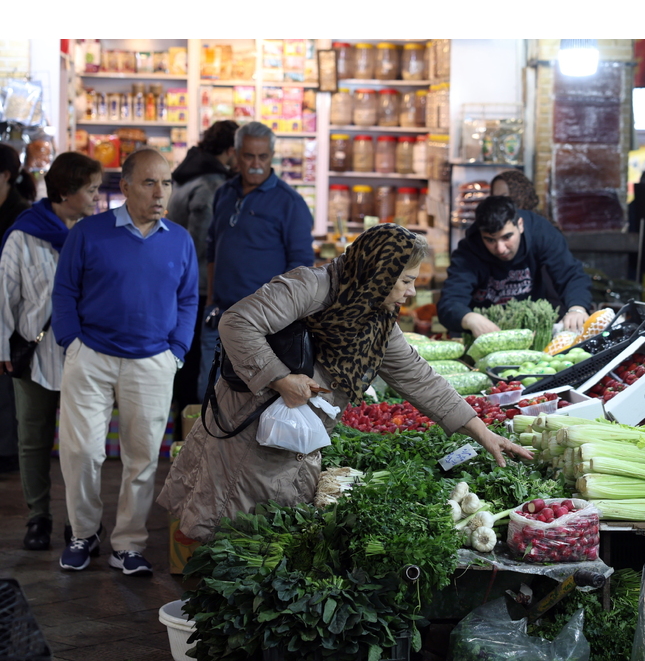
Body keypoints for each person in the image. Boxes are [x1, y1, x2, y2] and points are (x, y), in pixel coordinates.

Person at [157, 224, 533, 543]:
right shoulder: (312, 287)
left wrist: (481, 432)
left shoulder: (377, 320)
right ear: (379, 272)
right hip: (248, 432)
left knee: (269, 538)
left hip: (294, 440)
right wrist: (280, 378)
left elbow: (419, 377)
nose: (411, 292)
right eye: (406, 280)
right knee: (231, 534)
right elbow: (237, 322)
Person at [52, 149, 199, 575]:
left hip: (153, 360)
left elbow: (188, 298)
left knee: (143, 458)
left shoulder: (179, 239)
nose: (160, 193)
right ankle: (84, 533)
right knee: (81, 452)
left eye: (166, 183)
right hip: (91, 356)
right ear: (126, 187)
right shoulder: (89, 232)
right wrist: (71, 343)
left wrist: (176, 351)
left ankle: (128, 545)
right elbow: (65, 291)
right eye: (150, 183)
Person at [1, 152, 103, 550]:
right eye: (91, 189)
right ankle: (38, 517)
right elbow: (5, 295)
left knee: (83, 444)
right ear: (65, 192)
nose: (96, 197)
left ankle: (79, 522)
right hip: (35, 355)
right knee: (33, 439)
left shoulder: (95, 234)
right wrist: (2, 345)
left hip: (85, 356)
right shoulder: (23, 235)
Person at [198, 121, 315, 400]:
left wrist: (279, 319)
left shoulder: (290, 202)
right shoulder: (224, 193)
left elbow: (301, 269)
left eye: (263, 156)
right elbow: (213, 249)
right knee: (207, 396)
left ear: (272, 155)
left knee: (250, 402)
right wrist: (211, 300)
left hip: (261, 326)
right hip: (219, 316)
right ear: (236, 155)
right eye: (249, 156)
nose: (256, 164)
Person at [437, 196, 592, 339]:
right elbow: (449, 302)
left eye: (507, 237)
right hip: (484, 334)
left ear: (520, 225)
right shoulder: (468, 250)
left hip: (531, 328)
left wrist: (577, 308)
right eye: (490, 240)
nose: (500, 249)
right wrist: (468, 318)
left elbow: (571, 274)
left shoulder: (540, 231)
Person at [168, 120, 238, 412]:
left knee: (184, 355)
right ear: (231, 150)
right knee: (195, 358)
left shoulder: (186, 174)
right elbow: (203, 244)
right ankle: (189, 425)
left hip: (177, 279)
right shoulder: (211, 184)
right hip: (198, 287)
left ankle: (180, 421)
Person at [0, 144, 39, 474]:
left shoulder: (21, 215)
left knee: (8, 384)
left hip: (14, 311)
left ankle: (7, 452)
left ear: (4, 175)